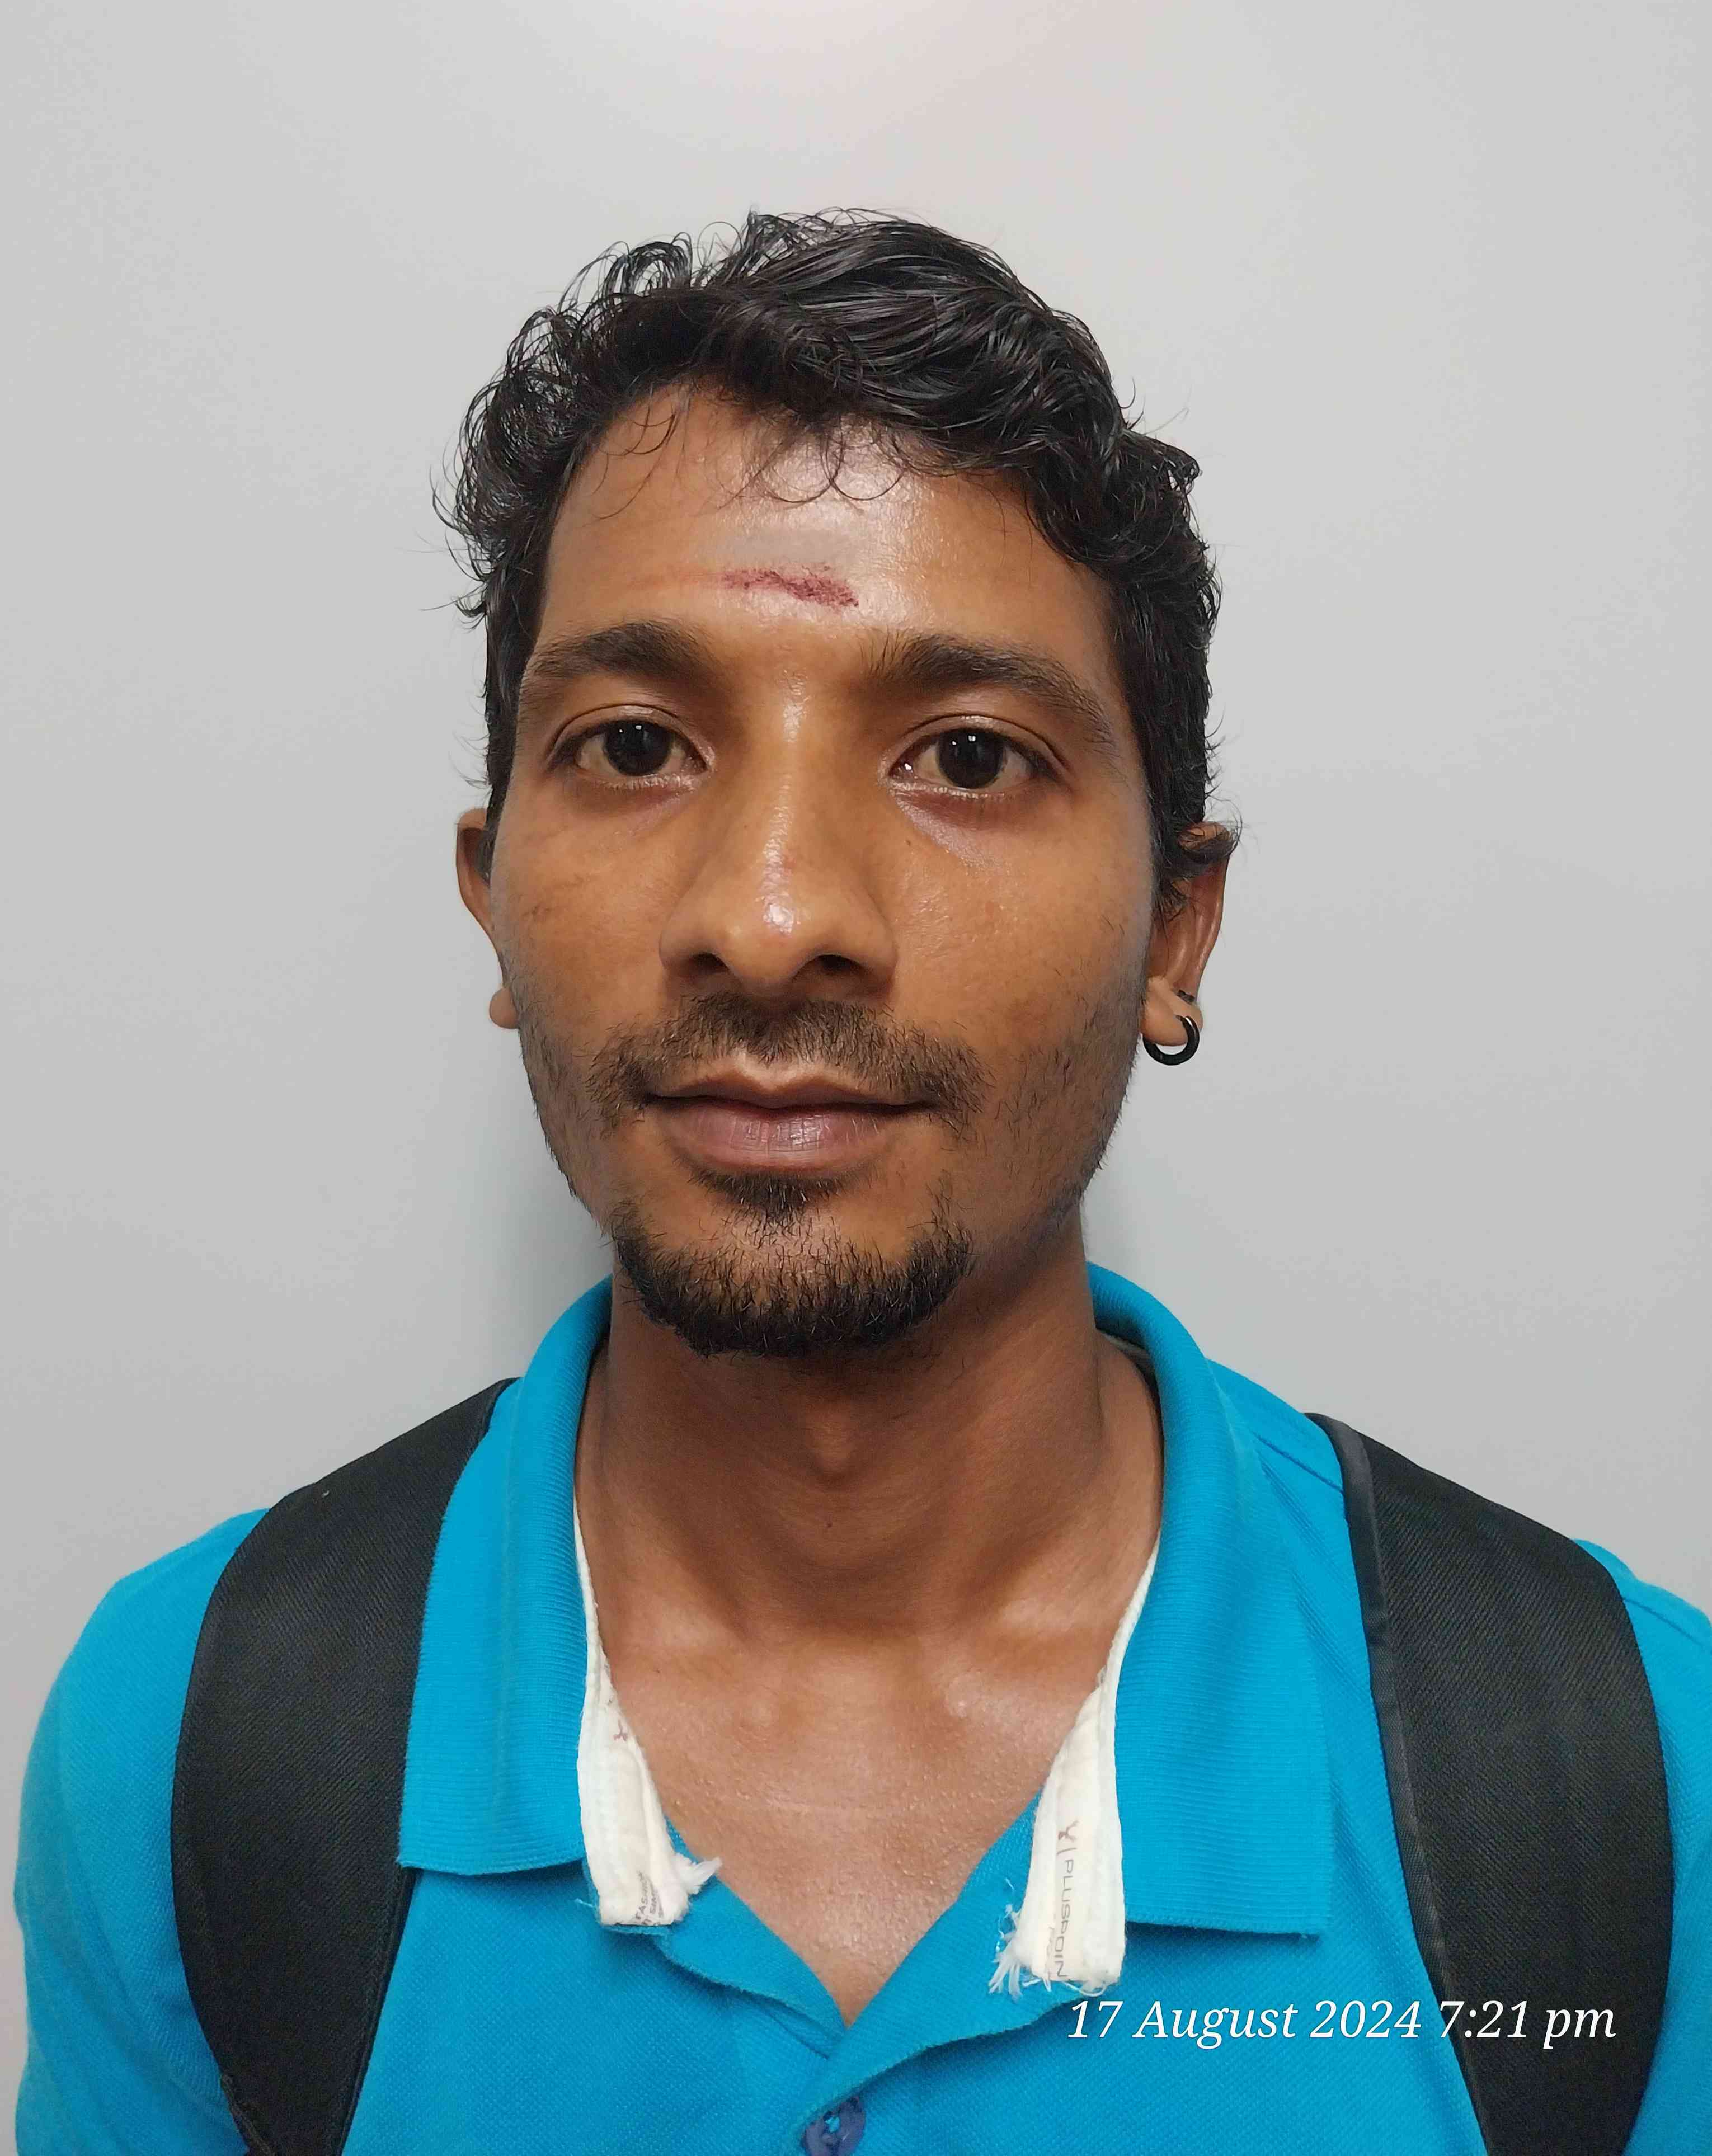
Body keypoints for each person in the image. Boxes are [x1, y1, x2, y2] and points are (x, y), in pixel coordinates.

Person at [15, 213, 1708, 2155]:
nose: (770, 917)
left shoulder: (1616, 1782)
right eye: (634, 744)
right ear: (490, 896)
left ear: (1177, 925)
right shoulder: (195, 1738)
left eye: (965, 757)